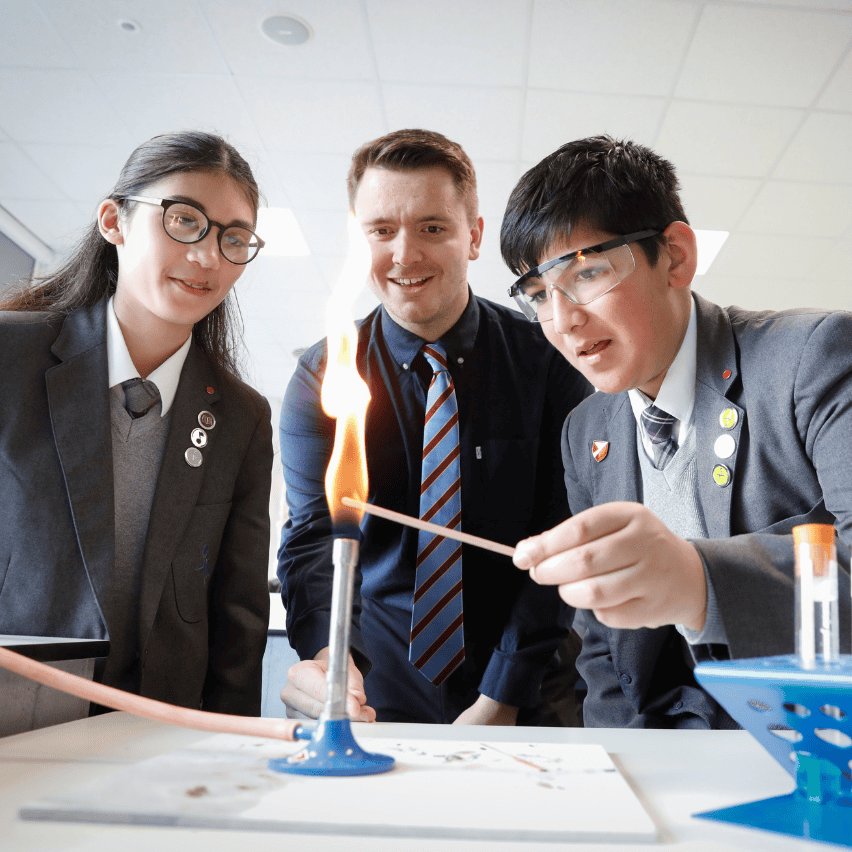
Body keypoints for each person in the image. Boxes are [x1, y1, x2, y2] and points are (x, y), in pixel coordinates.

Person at [499, 134, 852, 728]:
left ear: (676, 258)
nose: (562, 320)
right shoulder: (585, 431)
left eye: (586, 274)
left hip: (810, 748)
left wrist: (697, 580)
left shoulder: (813, 360)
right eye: (538, 294)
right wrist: (617, 773)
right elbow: (604, 655)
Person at [277, 129, 592, 724]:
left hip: (533, 685)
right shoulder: (322, 374)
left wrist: (502, 697)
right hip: (375, 687)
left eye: (432, 227)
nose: (404, 254)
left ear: (472, 236)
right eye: (381, 231)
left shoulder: (552, 361)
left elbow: (563, 533)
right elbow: (314, 537)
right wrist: (328, 659)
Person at [0, 131, 273, 715]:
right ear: (113, 221)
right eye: (183, 220)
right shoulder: (10, 357)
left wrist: (223, 754)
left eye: (234, 238)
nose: (207, 257)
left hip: (156, 729)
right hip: (15, 711)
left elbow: (238, 616)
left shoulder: (242, 416)